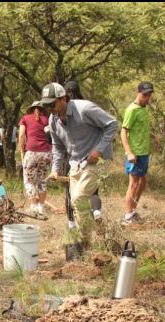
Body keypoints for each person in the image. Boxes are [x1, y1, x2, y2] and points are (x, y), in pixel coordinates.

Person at [43, 82, 118, 248]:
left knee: (79, 198)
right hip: (76, 163)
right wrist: (55, 170)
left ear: (63, 99)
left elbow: (112, 124)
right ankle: (101, 236)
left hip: (99, 161)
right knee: (76, 205)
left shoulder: (84, 109)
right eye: (47, 105)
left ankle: (84, 244)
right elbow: (57, 147)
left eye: (52, 104)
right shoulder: (53, 120)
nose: (50, 108)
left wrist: (98, 150)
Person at [64, 80, 103, 222]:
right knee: (92, 189)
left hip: (72, 156)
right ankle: (96, 211)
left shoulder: (66, 108)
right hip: (91, 154)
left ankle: (72, 224)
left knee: (71, 193)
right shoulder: (87, 106)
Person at [120, 82, 154, 225]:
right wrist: (129, 153)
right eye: (144, 94)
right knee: (133, 183)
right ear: (138, 92)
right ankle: (127, 216)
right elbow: (123, 132)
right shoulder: (132, 110)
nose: (147, 97)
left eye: (149, 94)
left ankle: (132, 211)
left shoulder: (144, 109)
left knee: (143, 181)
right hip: (135, 153)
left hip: (144, 152)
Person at [18, 101, 52, 217]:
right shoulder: (47, 120)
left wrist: (21, 150)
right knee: (42, 180)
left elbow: (22, 135)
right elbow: (50, 135)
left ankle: (33, 206)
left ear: (31, 109)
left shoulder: (25, 118)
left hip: (31, 152)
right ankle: (41, 207)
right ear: (42, 110)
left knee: (28, 180)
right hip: (46, 152)